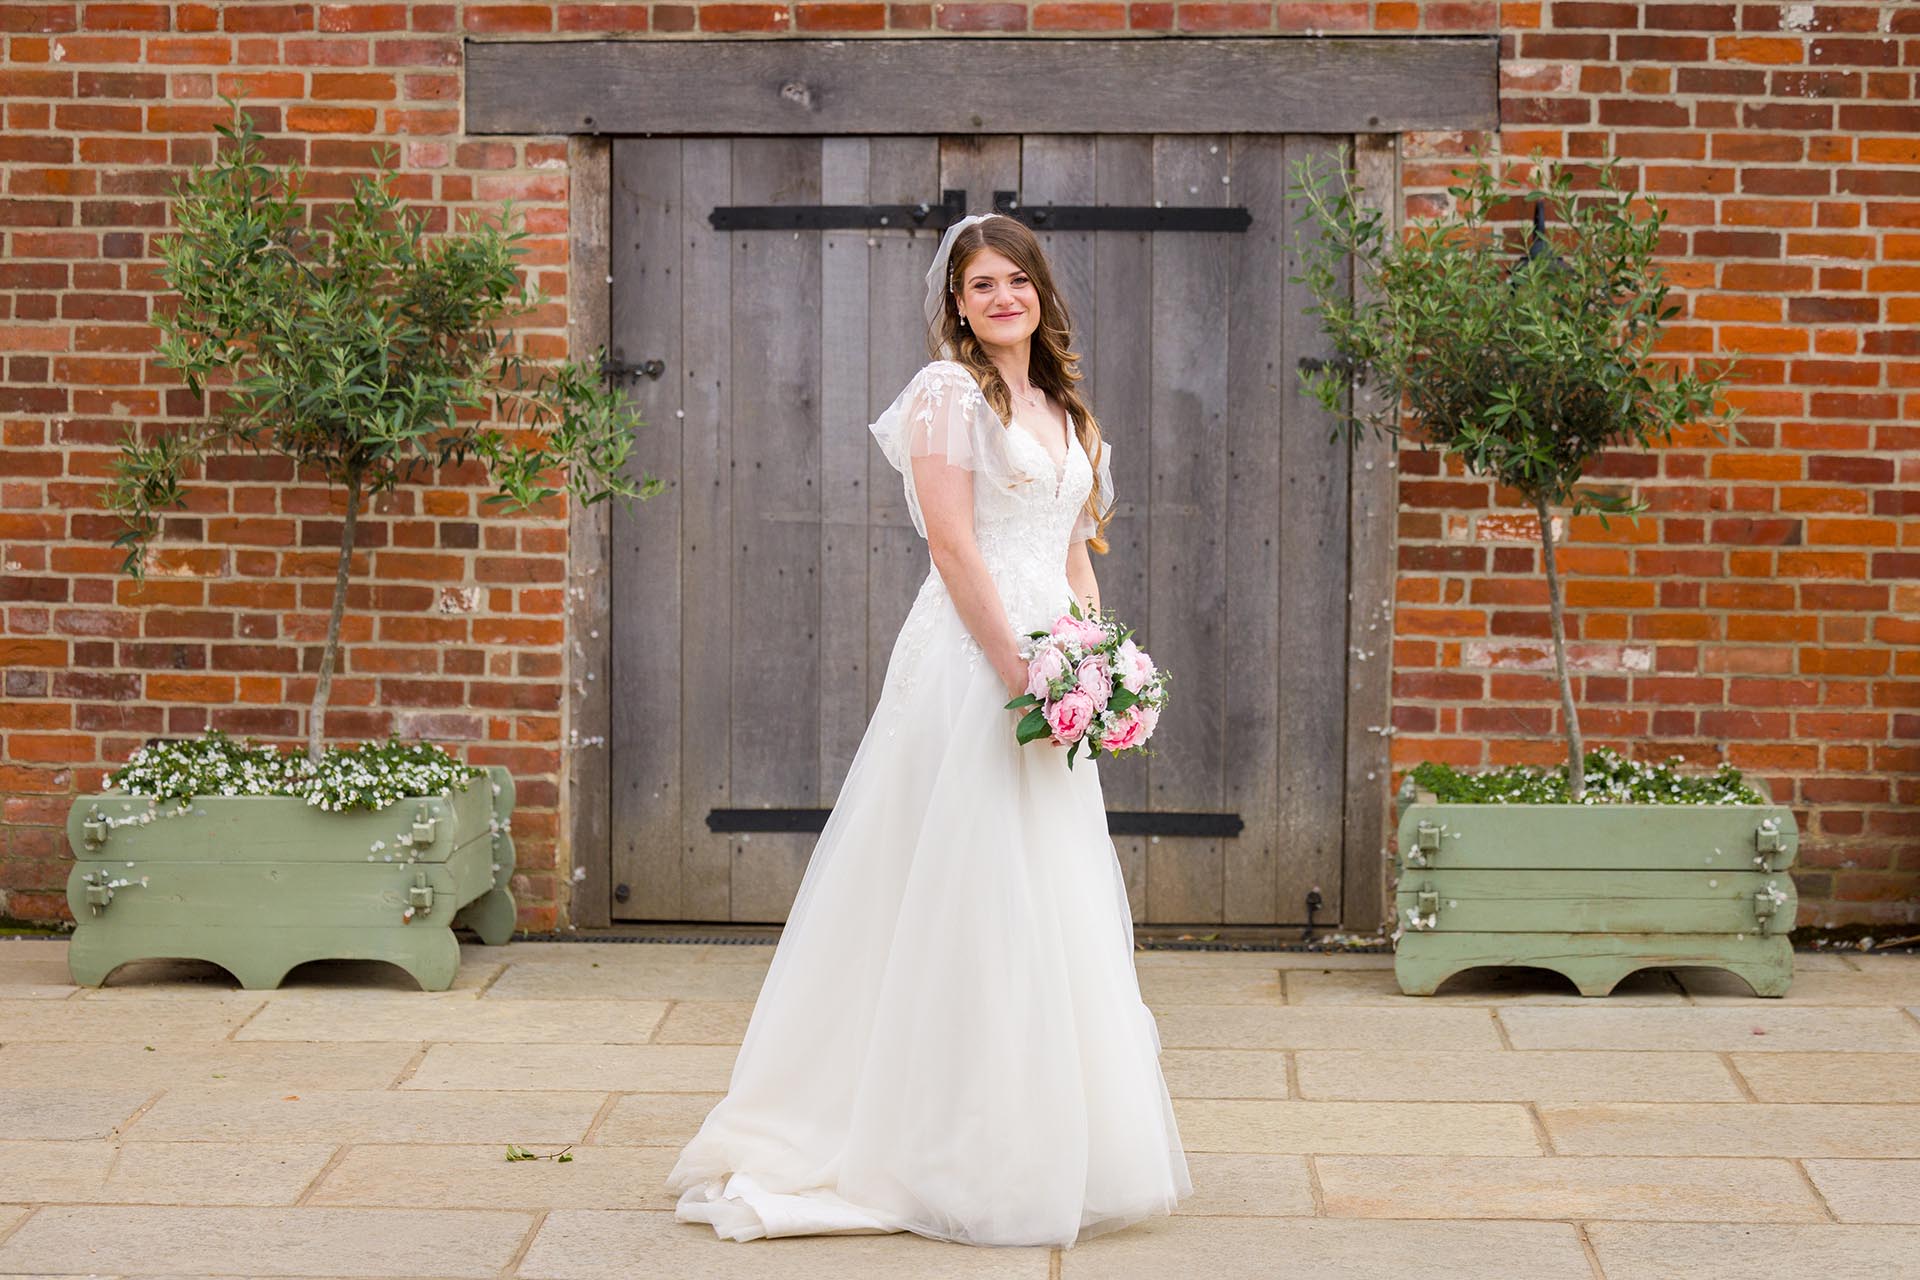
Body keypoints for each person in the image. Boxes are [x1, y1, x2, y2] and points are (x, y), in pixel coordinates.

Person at [663, 212, 1193, 1249]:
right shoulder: (951, 396)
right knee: (965, 877)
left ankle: (1036, 1134)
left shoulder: (1065, 409)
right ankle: (917, 1136)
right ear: (957, 303)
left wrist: (1097, 664)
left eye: (1016, 281)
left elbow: (1077, 552)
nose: (1002, 298)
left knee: (1047, 886)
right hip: (974, 661)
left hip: (1052, 663)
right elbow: (955, 548)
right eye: (981, 285)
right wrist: (1021, 673)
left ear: (1040, 292)